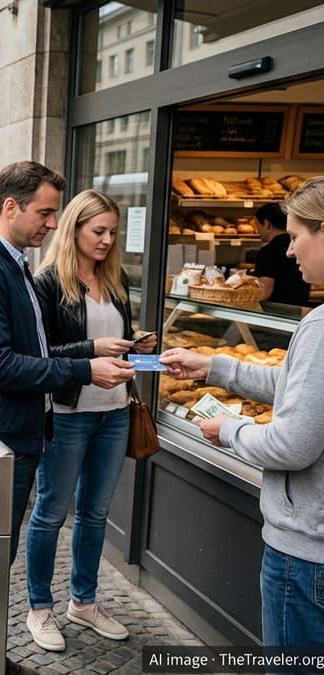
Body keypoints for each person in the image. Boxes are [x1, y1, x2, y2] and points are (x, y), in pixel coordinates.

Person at [0, 162, 135, 674]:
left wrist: (91, 348)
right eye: (46, 212)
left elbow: (36, 347)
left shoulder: (11, 263)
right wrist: (84, 368)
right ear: (11, 207)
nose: (53, 223)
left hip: (12, 437)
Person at [161, 176, 324, 656]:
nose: (289, 251)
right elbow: (301, 391)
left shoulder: (320, 327)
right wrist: (215, 366)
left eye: (295, 236)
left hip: (307, 556)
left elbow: (292, 444)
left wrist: (228, 429)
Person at [25, 190, 158, 652]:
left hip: (115, 412)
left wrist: (134, 341)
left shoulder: (115, 277)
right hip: (67, 413)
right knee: (50, 513)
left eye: (113, 233)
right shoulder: (47, 282)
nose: (106, 240)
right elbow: (38, 355)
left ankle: (83, 601)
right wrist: (92, 350)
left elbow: (111, 335)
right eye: (97, 231)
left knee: (96, 514)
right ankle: (39, 607)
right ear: (74, 229)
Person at [253, 202, 311, 306]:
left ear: (267, 224)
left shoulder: (268, 251)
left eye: (257, 225)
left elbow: (264, 292)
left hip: (276, 312)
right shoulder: (299, 247)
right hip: (300, 309)